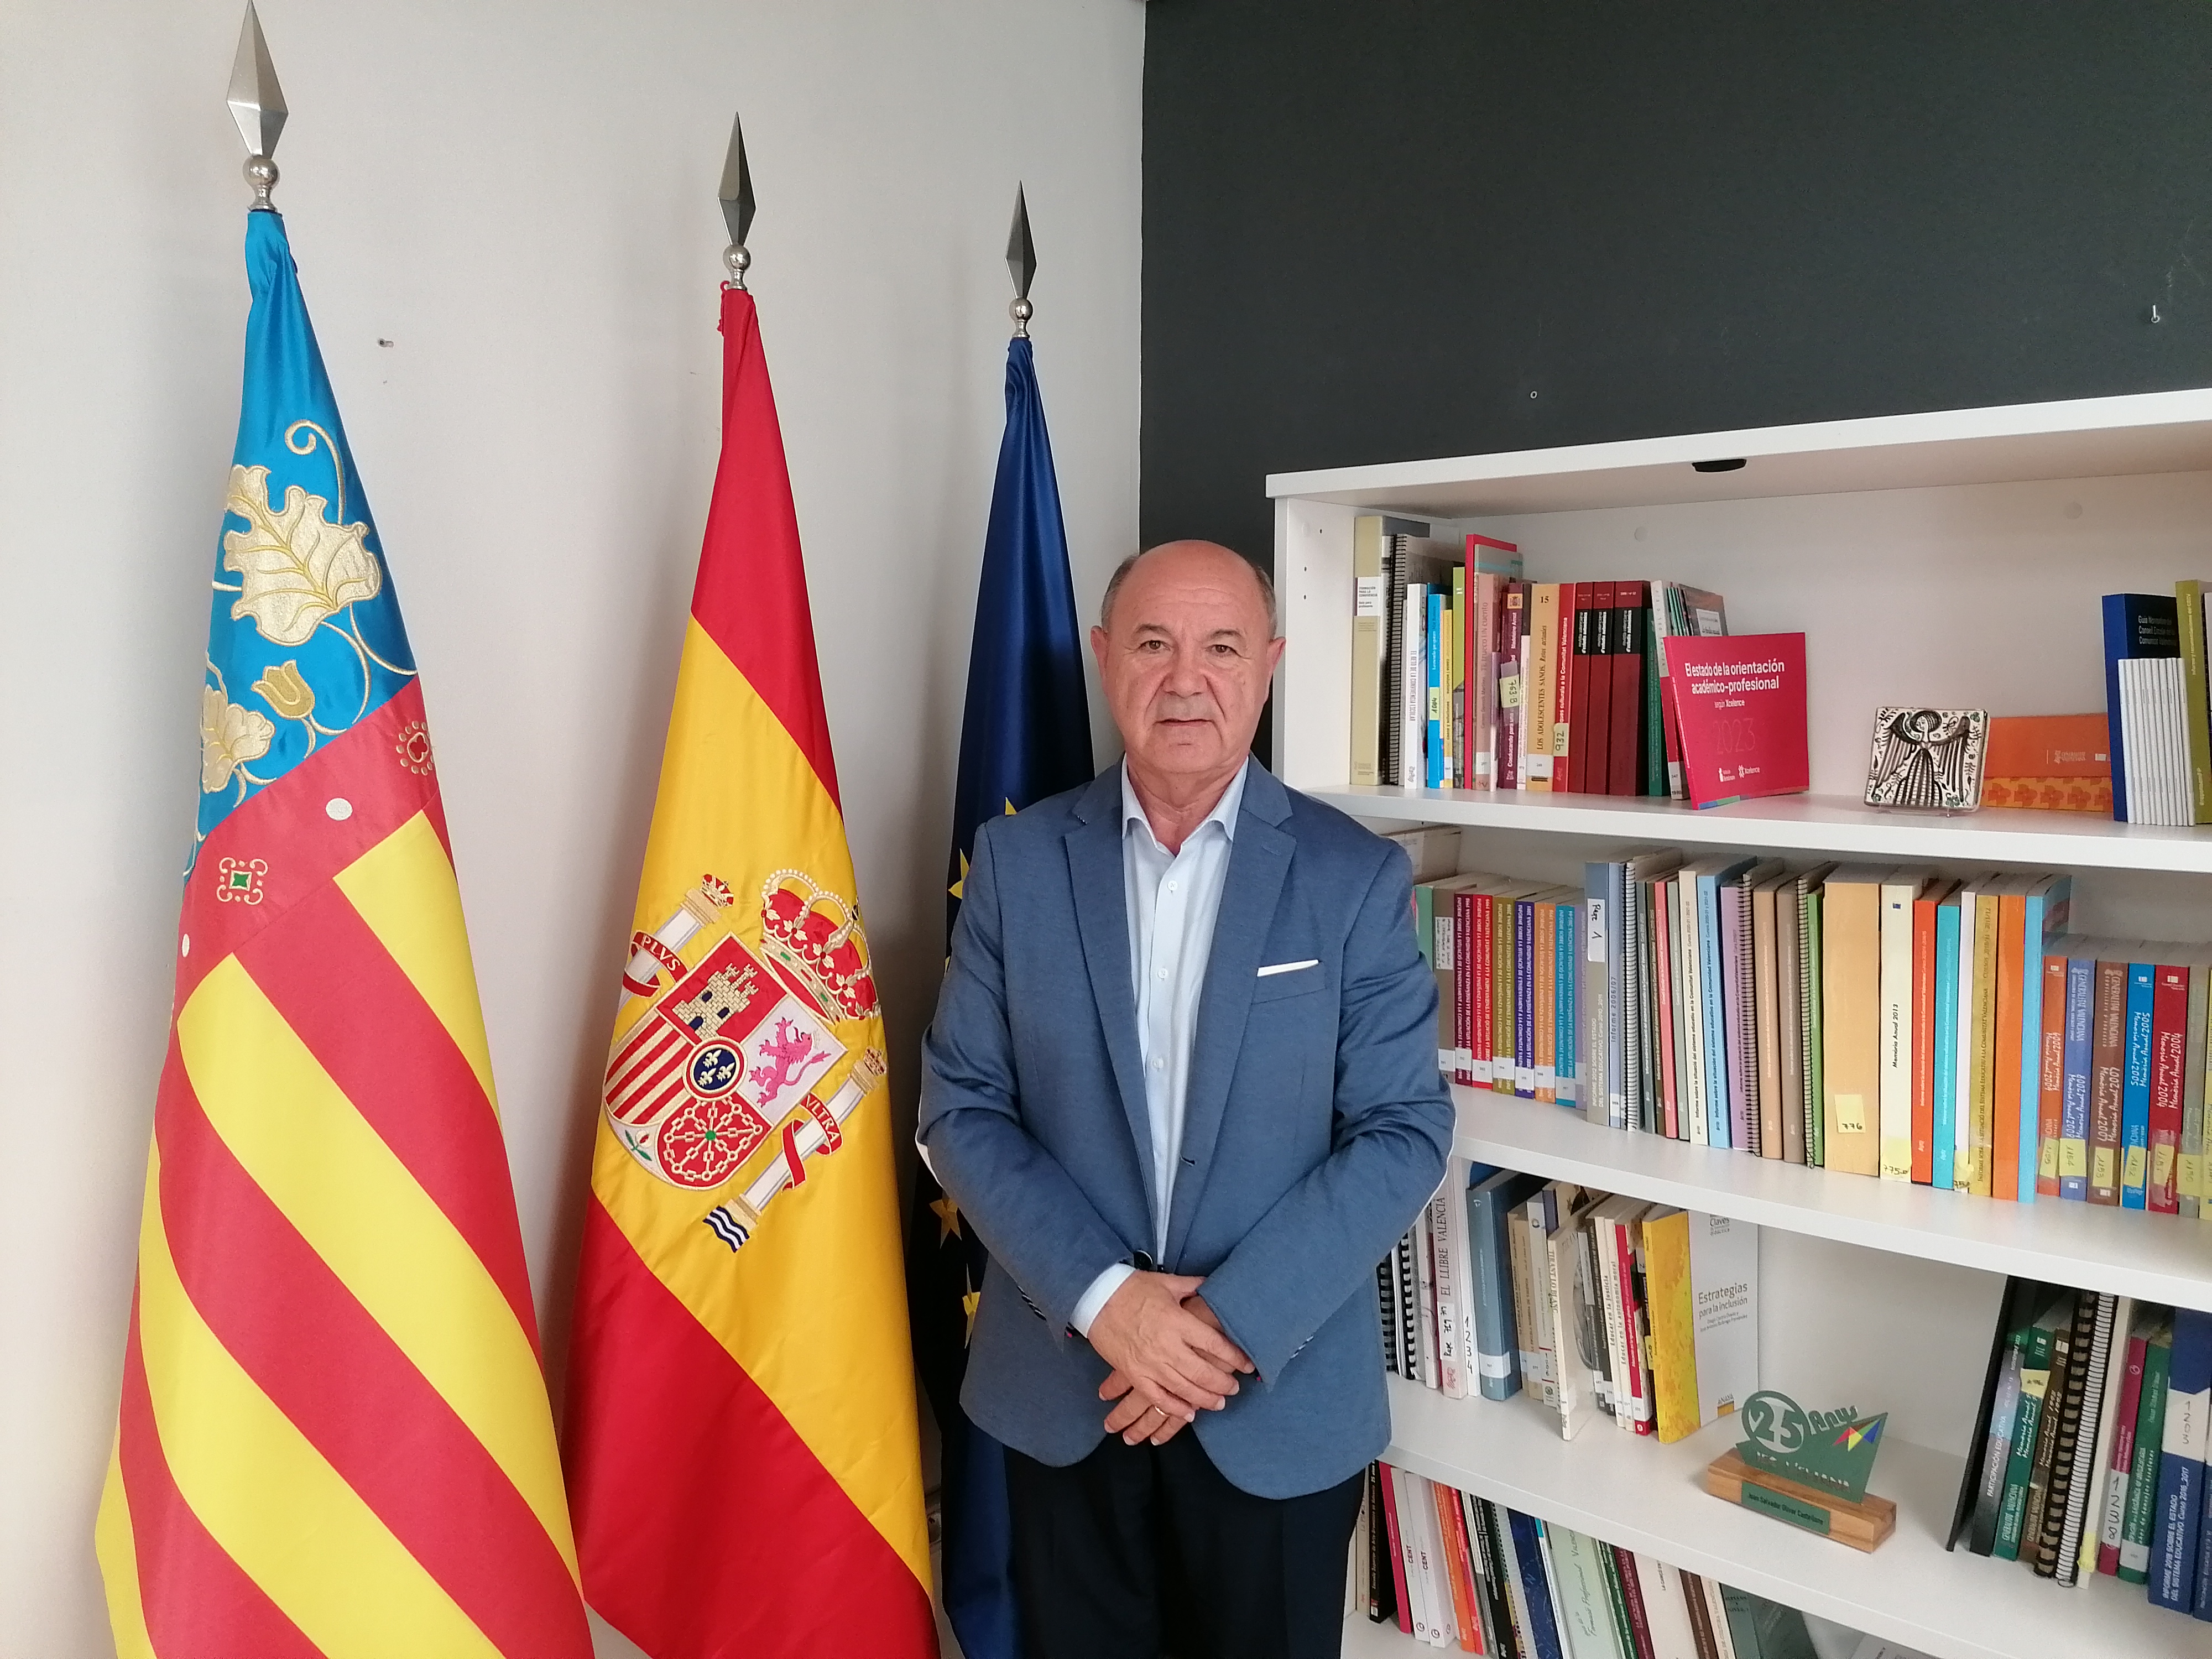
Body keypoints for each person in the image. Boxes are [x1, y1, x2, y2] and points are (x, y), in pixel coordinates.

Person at [918, 539, 1454, 1658]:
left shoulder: (1353, 877)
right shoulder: (1014, 863)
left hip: (1273, 1399)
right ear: (1105, 657)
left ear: (1268, 666)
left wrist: (1211, 1329)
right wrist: (1108, 1303)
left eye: (1221, 648)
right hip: (1065, 1388)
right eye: (1154, 644)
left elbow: (1402, 1132)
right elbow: (960, 1107)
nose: (1185, 680)